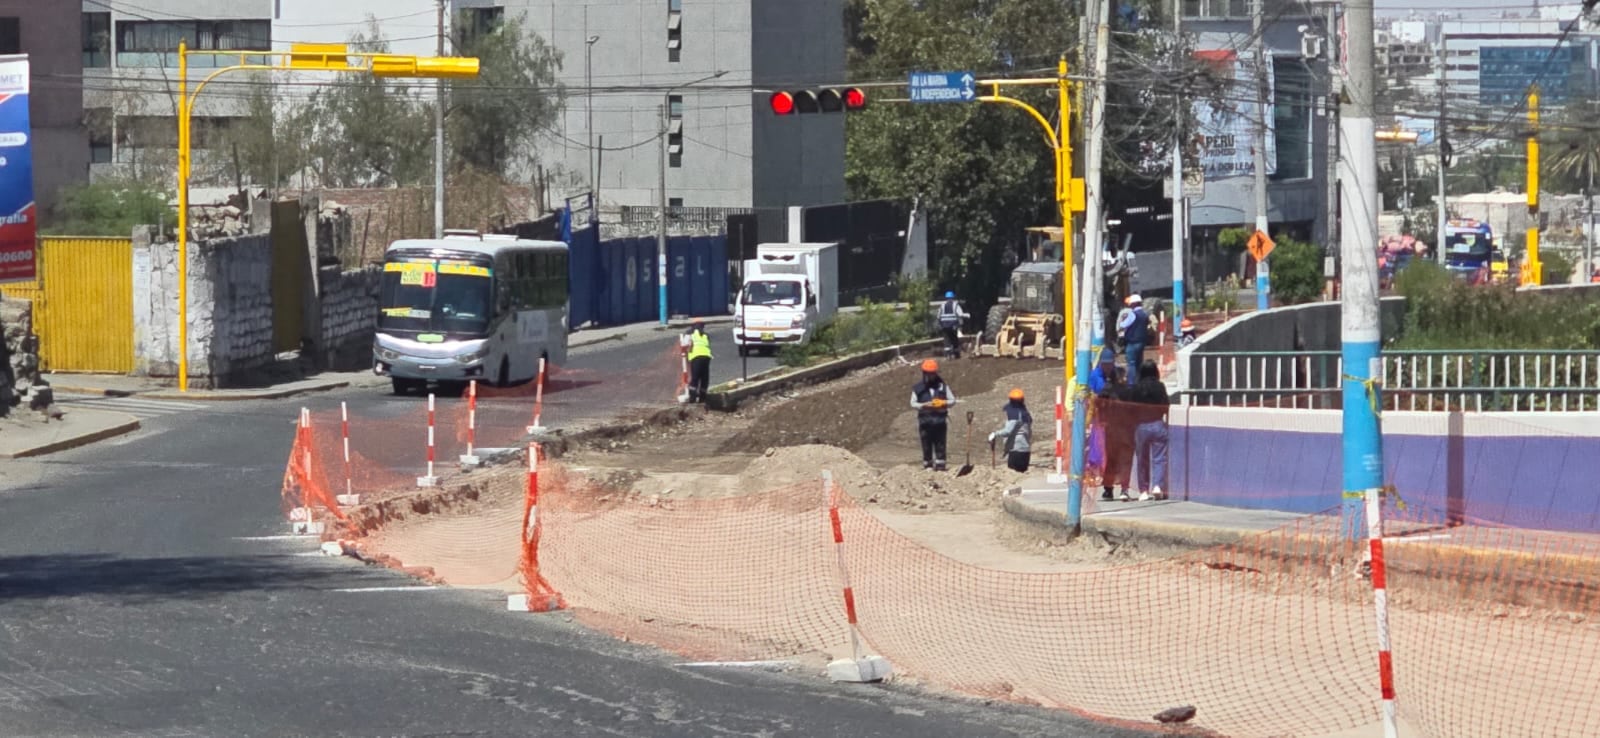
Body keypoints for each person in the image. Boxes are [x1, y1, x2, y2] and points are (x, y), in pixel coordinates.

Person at [1128, 359, 1171, 501]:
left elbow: (1131, 408)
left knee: (1142, 459)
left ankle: (1143, 490)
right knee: (1159, 458)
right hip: (1158, 424)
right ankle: (1158, 485)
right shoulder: (1160, 387)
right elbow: (1166, 406)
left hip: (1141, 426)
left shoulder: (1136, 388)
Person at [910, 359, 958, 471]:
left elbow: (953, 400)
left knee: (940, 444)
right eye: (928, 373)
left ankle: (941, 466)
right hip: (925, 421)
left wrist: (944, 403)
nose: (931, 376)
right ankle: (928, 465)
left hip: (939, 421)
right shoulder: (918, 388)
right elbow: (912, 403)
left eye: (933, 373)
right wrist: (923, 405)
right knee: (926, 444)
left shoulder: (942, 386)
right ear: (924, 373)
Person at [1096, 365, 1135, 501]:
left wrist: (1102, 419)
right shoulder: (1127, 391)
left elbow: (1098, 404)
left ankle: (1108, 490)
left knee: (1111, 460)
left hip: (1110, 429)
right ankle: (1124, 489)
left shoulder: (1105, 391)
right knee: (1125, 461)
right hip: (1125, 429)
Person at [987, 388, 1033, 473]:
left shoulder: (1015, 414)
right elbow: (1029, 432)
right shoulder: (1025, 413)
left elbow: (1008, 431)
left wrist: (994, 434)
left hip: (1016, 450)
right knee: (1020, 474)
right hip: (1025, 450)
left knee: (1015, 474)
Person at [1118, 293, 1149, 373]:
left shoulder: (1133, 314)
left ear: (1133, 304)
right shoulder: (1144, 314)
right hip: (1142, 342)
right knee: (1139, 363)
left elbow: (1123, 325)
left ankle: (1132, 383)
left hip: (1132, 342)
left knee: (1131, 363)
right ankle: (1139, 380)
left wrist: (1122, 322)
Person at [684, 320, 713, 403]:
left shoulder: (689, 334)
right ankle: (702, 399)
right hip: (706, 357)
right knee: (704, 378)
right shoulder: (705, 335)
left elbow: (685, 345)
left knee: (695, 378)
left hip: (696, 357)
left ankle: (692, 399)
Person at [937, 291, 968, 359]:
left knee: (946, 340)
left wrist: (941, 324)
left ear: (946, 298)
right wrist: (968, 315)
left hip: (945, 326)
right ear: (952, 297)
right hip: (953, 326)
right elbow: (960, 314)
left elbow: (938, 317)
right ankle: (956, 354)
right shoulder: (955, 305)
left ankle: (947, 355)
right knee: (954, 339)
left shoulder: (942, 305)